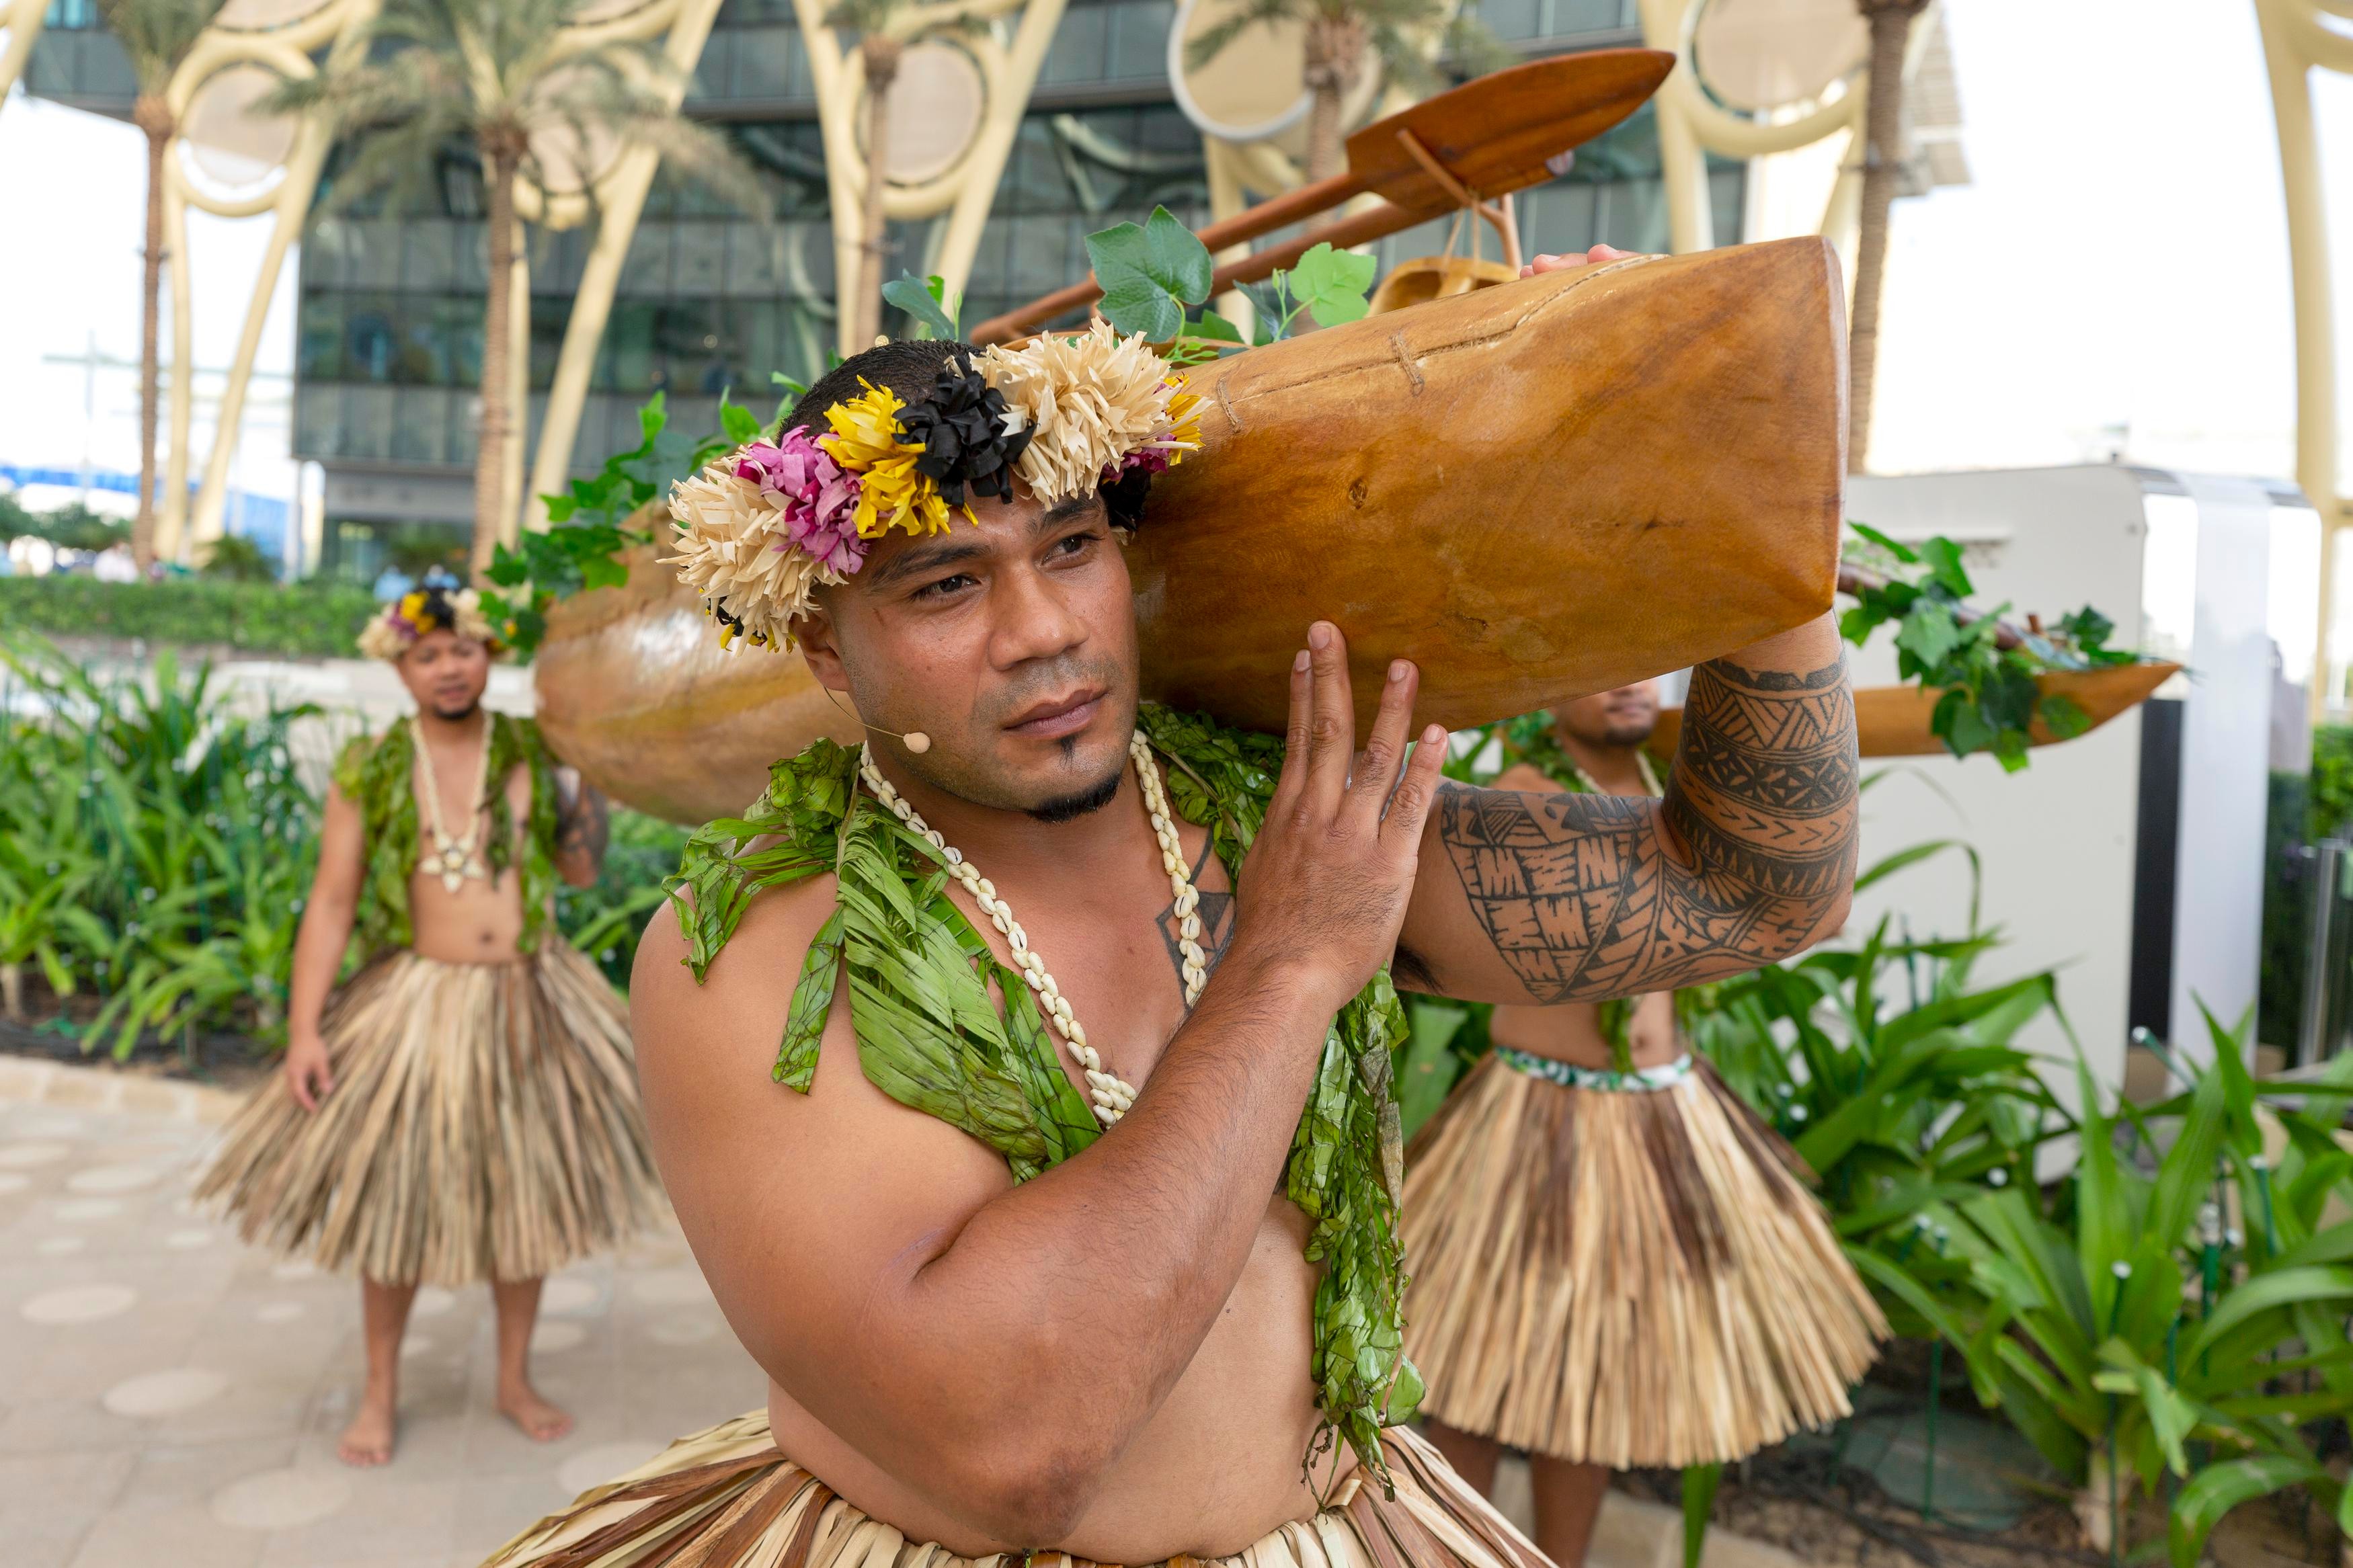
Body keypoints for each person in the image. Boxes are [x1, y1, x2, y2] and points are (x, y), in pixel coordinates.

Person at [481, 265, 1860, 1568]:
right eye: (945, 585)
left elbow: (1749, 889)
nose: (1041, 630)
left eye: (1070, 547)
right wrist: (1287, 966)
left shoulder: (1292, 820)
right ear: (821, 651)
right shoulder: (754, 954)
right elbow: (1017, 1445)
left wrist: (1735, 458)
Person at [1401, 684, 1886, 1566]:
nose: (1632, 685)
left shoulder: (1678, 793)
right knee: (1474, 1381)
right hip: (1534, 1127)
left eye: (1650, 668)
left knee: (1587, 1391)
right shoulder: (1522, 794)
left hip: (1656, 1120)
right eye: (1608, 667)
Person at [197, 585, 660, 1467]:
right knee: (397, 1206)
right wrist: (306, 1029)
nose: (450, 668)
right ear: (399, 666)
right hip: (419, 1003)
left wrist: (584, 779)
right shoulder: (371, 766)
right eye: (427, 654)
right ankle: (380, 1390)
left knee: (527, 1200)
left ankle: (514, 1377)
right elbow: (332, 902)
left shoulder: (533, 747)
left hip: (529, 998)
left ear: (489, 654)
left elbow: (584, 872)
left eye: (464, 649)